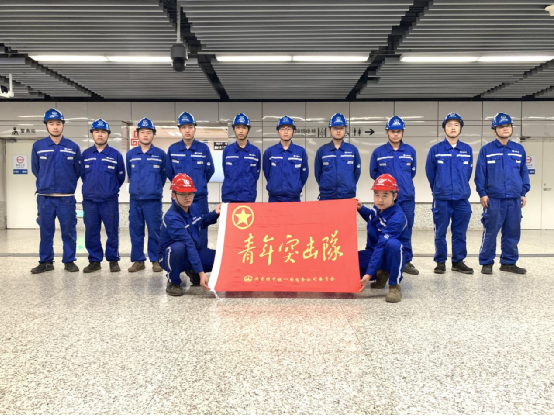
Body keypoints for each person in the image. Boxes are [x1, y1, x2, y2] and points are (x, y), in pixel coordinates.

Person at [475, 113, 530, 275]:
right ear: (494, 130)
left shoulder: (519, 149)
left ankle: (508, 262)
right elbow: (480, 174)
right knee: (490, 232)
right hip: (494, 199)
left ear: (511, 128)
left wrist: (523, 192)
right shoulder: (486, 150)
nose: (505, 129)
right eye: (501, 126)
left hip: (514, 199)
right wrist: (482, 193)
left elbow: (523, 172)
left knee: (512, 232)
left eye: (508, 126)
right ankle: (486, 262)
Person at [31, 109, 81, 274]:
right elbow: (36, 169)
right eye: (51, 123)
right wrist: (45, 182)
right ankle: (46, 262)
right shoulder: (38, 146)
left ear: (63, 125)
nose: (55, 127)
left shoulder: (73, 147)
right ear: (46, 126)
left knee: (68, 231)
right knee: (45, 232)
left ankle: (69, 261)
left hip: (66, 198)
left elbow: (77, 171)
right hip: (45, 198)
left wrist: (67, 184)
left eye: (58, 123)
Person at [425, 112, 474, 275]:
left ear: (460, 128)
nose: (453, 128)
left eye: (456, 125)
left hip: (461, 199)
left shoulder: (467, 149)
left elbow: (468, 173)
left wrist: (459, 187)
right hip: (442, 199)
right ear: (444, 128)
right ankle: (440, 262)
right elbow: (430, 173)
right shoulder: (436, 150)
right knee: (440, 232)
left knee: (460, 232)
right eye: (449, 125)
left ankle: (458, 261)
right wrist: (439, 188)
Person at [369, 116, 418, 275]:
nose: (395, 134)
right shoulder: (378, 152)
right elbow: (374, 174)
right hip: (386, 201)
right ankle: (383, 261)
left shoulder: (410, 151)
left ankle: (406, 260)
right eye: (392, 131)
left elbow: (412, 172)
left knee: (406, 229)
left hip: (406, 198)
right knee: (383, 228)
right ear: (387, 132)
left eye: (398, 131)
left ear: (402, 132)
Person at [158, 174, 221, 297]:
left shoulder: (193, 207)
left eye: (190, 193)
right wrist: (201, 273)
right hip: (169, 256)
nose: (188, 197)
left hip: (190, 252)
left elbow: (201, 222)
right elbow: (188, 244)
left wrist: (215, 213)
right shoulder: (172, 217)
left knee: (217, 259)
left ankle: (191, 270)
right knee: (179, 247)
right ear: (173, 195)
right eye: (183, 194)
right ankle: (173, 281)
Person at [81, 119, 126, 273]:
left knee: (112, 231)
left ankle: (113, 260)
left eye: (103, 132)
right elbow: (83, 175)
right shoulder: (86, 154)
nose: (100, 134)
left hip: (109, 201)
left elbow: (120, 177)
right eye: (97, 131)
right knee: (91, 231)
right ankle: (94, 261)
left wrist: (110, 190)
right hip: (90, 202)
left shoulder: (115, 155)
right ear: (92, 134)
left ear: (108, 135)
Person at [166, 112, 215, 249]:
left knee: (201, 229)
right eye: (184, 127)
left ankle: (201, 257)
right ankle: (182, 258)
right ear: (180, 129)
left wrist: (199, 183)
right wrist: (180, 190)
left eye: (190, 127)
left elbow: (209, 171)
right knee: (179, 230)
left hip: (199, 199)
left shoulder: (203, 149)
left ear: (194, 128)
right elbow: (170, 172)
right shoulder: (173, 149)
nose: (187, 130)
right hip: (179, 200)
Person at [358, 174, 409, 303]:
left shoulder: (397, 218)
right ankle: (381, 272)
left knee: (393, 244)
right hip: (373, 251)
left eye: (385, 195)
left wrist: (369, 273)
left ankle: (394, 286)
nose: (380, 199)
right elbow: (372, 217)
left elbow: (381, 245)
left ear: (394, 196)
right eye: (377, 195)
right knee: (351, 262)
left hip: (392, 255)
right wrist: (361, 208)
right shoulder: (378, 208)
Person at [126, 117, 167, 273]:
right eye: (142, 132)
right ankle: (138, 260)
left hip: (153, 200)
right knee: (136, 230)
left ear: (153, 134)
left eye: (148, 132)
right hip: (135, 200)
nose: (145, 135)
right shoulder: (131, 154)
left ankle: (156, 260)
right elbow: (129, 174)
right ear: (137, 134)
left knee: (155, 231)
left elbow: (163, 176)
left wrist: (154, 188)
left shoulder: (160, 154)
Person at [314, 113, 361, 200]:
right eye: (335, 128)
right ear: (330, 130)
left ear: (345, 130)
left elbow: (356, 173)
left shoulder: (352, 150)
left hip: (347, 196)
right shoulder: (322, 151)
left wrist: (349, 185)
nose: (338, 131)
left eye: (341, 128)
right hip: (327, 196)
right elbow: (318, 174)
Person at [263, 115, 309, 202]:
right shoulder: (269, 152)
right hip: (274, 199)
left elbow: (304, 175)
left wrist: (296, 187)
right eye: (282, 129)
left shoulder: (300, 151)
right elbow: (267, 173)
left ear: (294, 131)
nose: (285, 132)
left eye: (289, 129)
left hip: (294, 198)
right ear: (278, 132)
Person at [221, 113, 261, 203]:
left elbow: (256, 174)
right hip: (229, 196)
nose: (241, 131)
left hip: (248, 196)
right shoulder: (227, 150)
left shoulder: (255, 151)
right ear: (234, 129)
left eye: (244, 128)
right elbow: (225, 171)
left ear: (248, 130)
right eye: (238, 127)